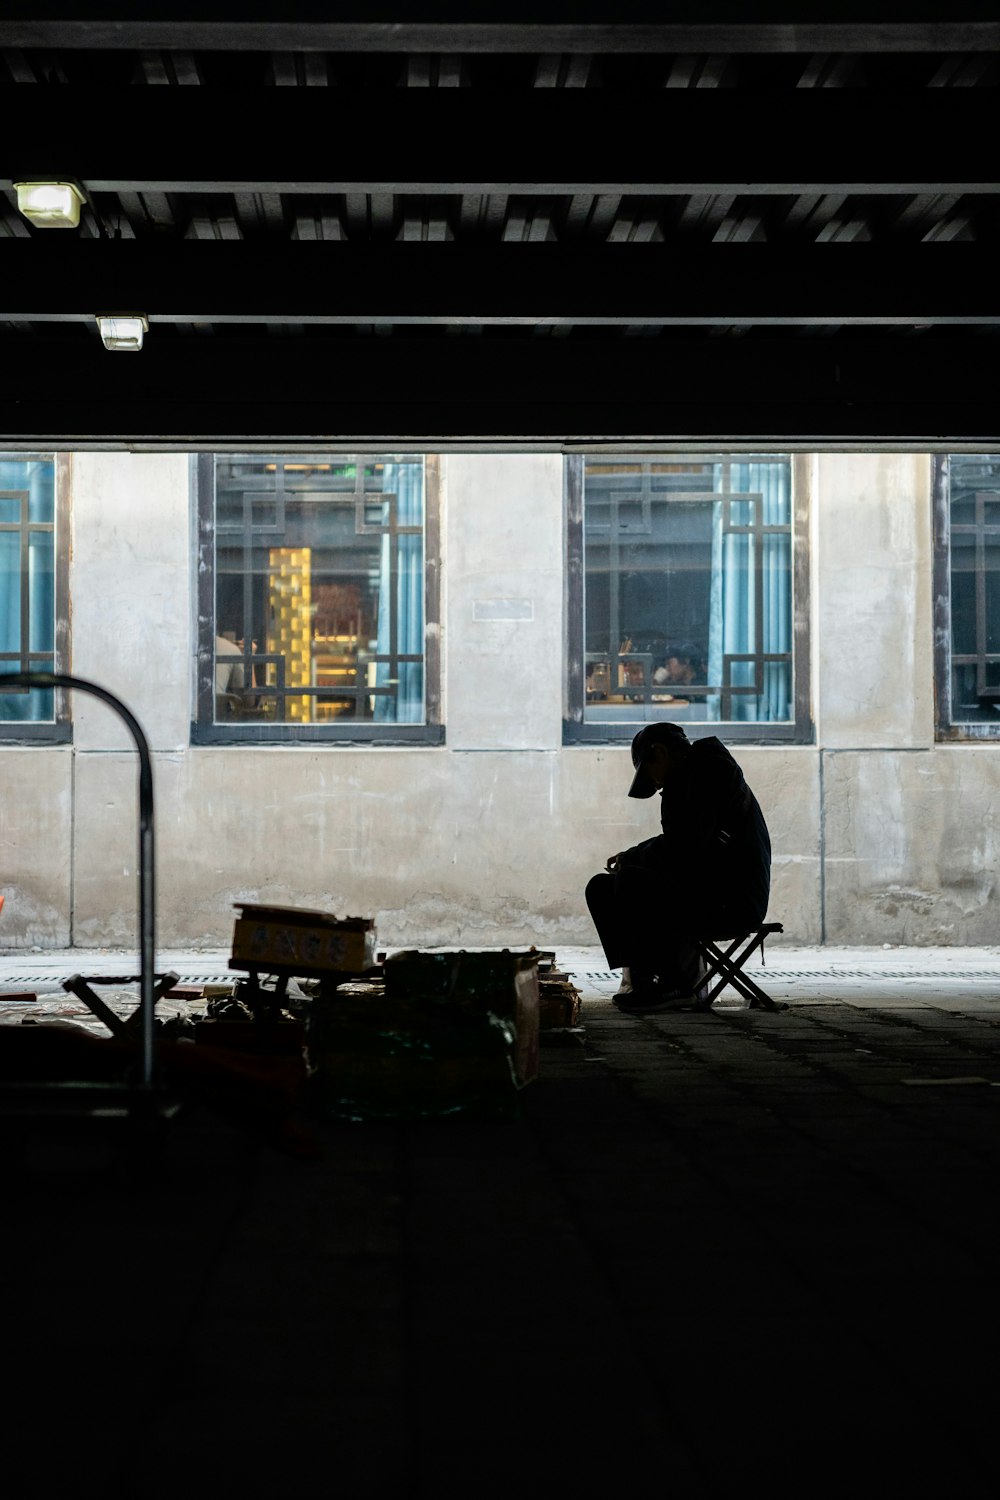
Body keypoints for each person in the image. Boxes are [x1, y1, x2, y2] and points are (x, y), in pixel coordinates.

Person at [585, 722, 771, 1013]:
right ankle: (645, 980)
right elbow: (685, 847)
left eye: (651, 776)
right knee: (601, 887)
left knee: (631, 880)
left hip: (732, 902)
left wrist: (633, 858)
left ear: (659, 753)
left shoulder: (700, 775)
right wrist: (634, 856)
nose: (657, 786)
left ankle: (674, 984)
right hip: (714, 892)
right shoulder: (697, 773)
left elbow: (683, 846)